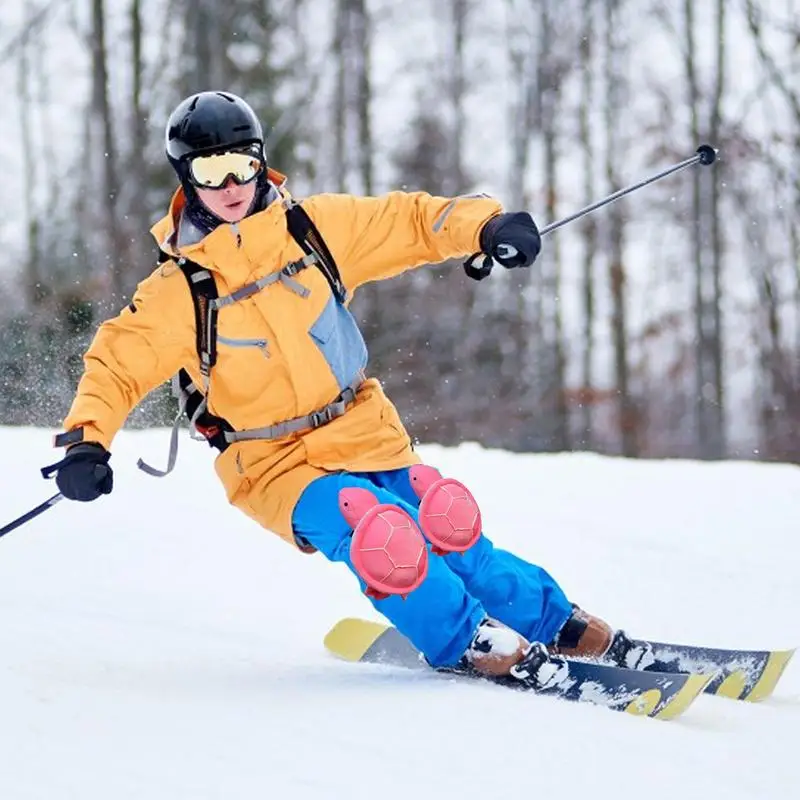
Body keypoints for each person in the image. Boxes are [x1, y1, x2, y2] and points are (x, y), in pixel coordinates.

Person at [43, 91, 653, 688]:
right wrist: (85, 444)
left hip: (362, 428)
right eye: (211, 169)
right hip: (271, 463)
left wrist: (485, 226)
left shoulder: (312, 231)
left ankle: (556, 622)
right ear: (187, 179)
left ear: (261, 162)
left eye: (244, 163)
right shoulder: (178, 289)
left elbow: (410, 222)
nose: (232, 184)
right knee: (378, 527)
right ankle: (465, 640)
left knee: (445, 521)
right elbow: (117, 364)